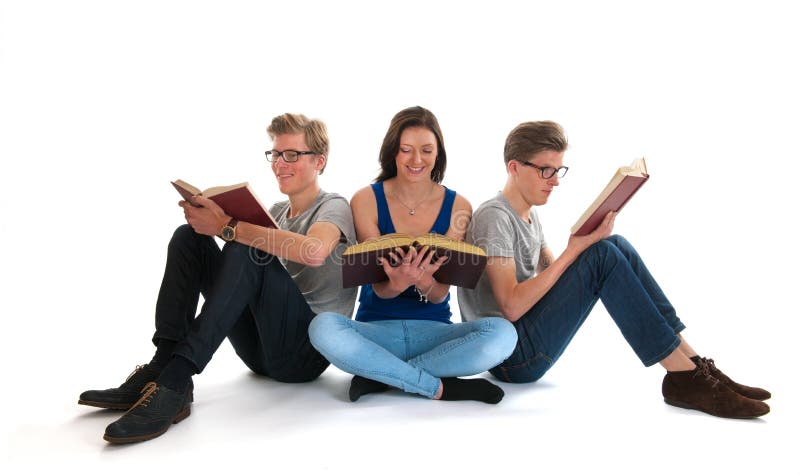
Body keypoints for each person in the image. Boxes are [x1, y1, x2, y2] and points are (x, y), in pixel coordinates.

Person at [457, 121, 771, 418]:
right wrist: (576, 251)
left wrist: (585, 240)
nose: (555, 180)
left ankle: (694, 365)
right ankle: (684, 376)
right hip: (512, 358)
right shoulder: (494, 217)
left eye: (558, 170)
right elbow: (511, 306)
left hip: (526, 341)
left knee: (613, 245)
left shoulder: (528, 215)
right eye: (545, 170)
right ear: (514, 167)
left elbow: (557, 274)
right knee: (603, 255)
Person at [78, 113, 358, 443]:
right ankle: (162, 364)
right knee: (189, 238)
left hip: (303, 356)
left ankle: (177, 379)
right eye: (276, 154)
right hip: (260, 351)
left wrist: (228, 227)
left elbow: (314, 251)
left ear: (320, 161)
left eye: (292, 154)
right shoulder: (277, 212)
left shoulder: (333, 205)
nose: (280, 163)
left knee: (245, 250)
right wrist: (212, 223)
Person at [308, 106, 517, 404]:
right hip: (374, 334)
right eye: (406, 150)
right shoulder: (366, 199)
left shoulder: (460, 206)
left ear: (438, 154)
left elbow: (439, 293)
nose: (416, 160)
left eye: (426, 150)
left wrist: (423, 280)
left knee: (503, 333)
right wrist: (397, 282)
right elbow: (377, 288)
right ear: (393, 152)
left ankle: (379, 375)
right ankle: (441, 388)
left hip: (435, 337)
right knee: (323, 327)